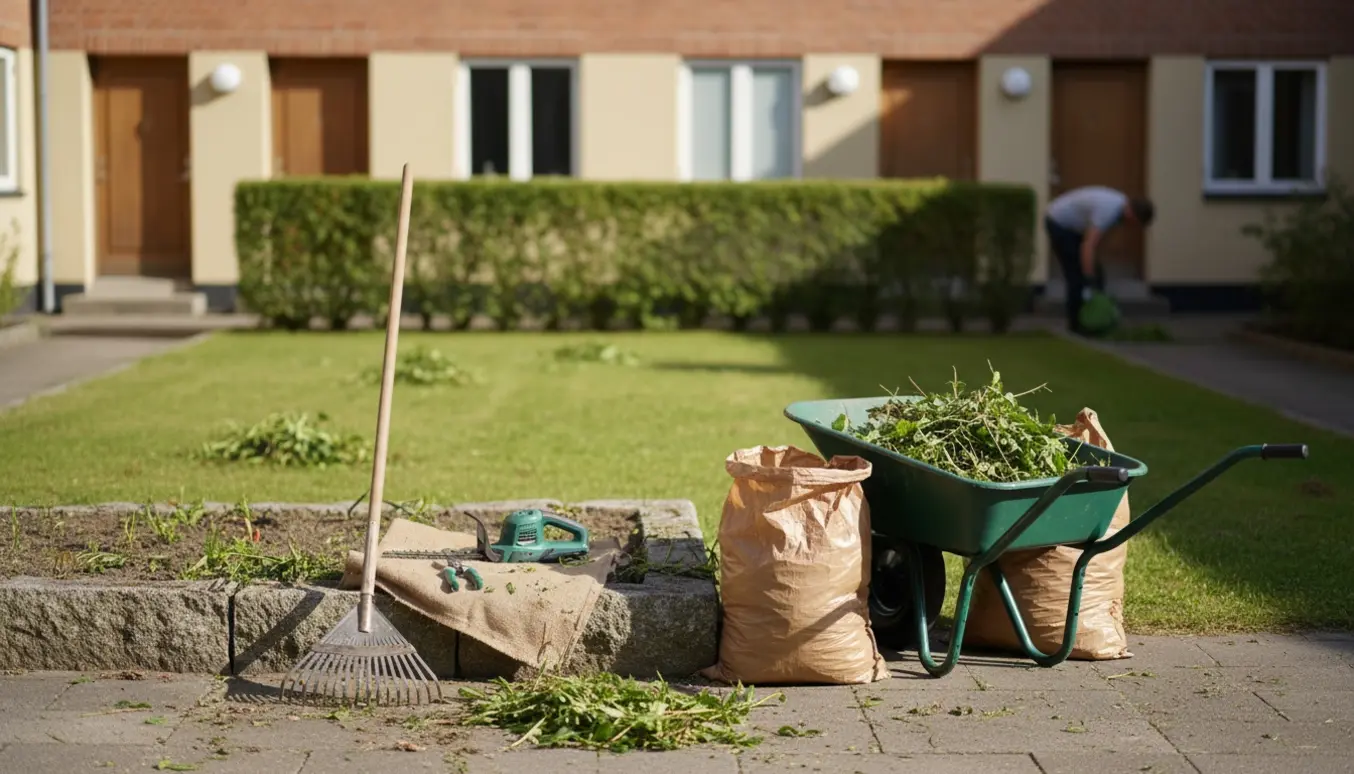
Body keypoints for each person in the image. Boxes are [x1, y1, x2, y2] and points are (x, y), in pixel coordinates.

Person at [1044, 186, 1154, 335]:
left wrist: (1095, 270)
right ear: (1131, 213)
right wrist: (1089, 278)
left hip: (1075, 228)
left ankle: (1097, 319)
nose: (1132, 227)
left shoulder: (1120, 212)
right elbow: (1088, 246)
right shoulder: (1108, 210)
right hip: (1058, 222)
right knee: (1076, 276)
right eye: (1135, 222)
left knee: (1098, 274)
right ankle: (1076, 326)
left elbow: (1097, 242)